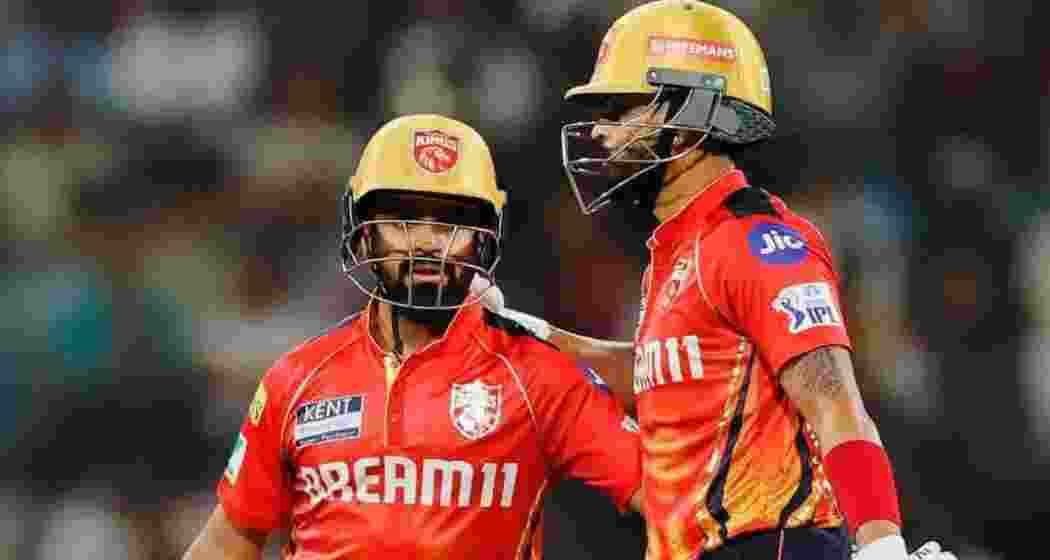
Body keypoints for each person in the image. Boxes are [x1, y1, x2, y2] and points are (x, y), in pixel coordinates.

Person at [473, 2, 957, 559]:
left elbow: (832, 397)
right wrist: (516, 330)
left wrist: (881, 545)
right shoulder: (679, 246)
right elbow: (663, 382)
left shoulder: (755, 242)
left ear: (690, 119)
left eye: (622, 109)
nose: (602, 134)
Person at [182, 114, 642, 559]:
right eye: (401, 221)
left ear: (485, 238)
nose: (426, 242)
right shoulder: (296, 379)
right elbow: (229, 540)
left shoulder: (536, 374)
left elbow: (674, 496)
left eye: (450, 224)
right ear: (363, 235)